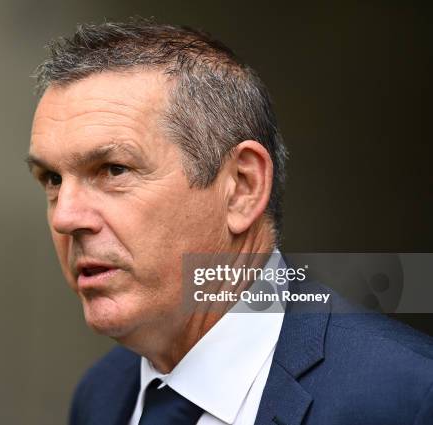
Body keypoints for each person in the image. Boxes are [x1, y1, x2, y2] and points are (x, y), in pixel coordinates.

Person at [27, 18, 433, 425]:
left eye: (113, 169)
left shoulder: (406, 397)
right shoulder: (102, 395)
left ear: (241, 188)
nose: (65, 216)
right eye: (52, 179)